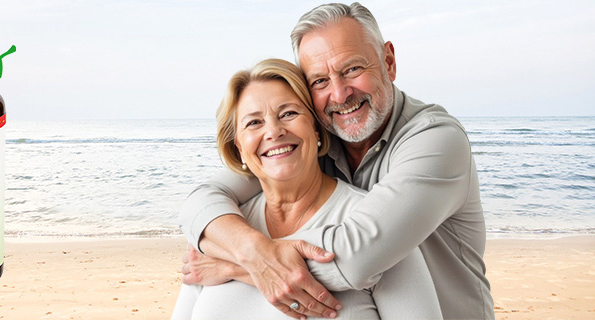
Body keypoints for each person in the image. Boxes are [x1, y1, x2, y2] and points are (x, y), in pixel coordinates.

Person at [179, 2, 494, 319]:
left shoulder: (436, 140)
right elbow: (202, 201)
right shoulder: (317, 142)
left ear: (388, 61)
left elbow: (358, 256)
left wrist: (237, 264)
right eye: (320, 81)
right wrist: (249, 249)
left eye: (352, 69)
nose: (340, 94)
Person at [171, 58, 441, 320]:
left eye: (288, 113)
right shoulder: (219, 231)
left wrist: (235, 268)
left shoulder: (376, 224)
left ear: (316, 129)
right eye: (254, 122)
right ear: (238, 147)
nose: (273, 131)